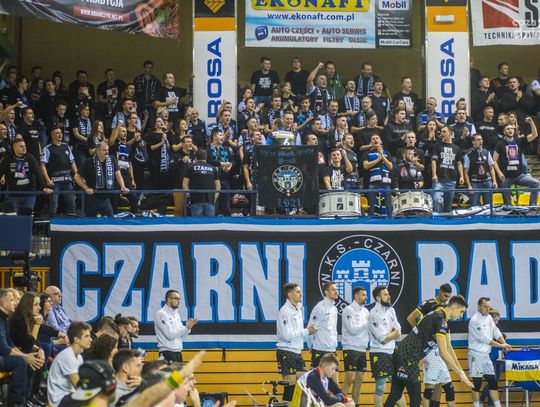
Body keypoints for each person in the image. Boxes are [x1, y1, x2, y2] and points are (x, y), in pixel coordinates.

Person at [383, 295, 473, 407]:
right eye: (461, 312)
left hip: (400, 354)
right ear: (454, 307)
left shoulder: (440, 317)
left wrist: (462, 371)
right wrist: (459, 373)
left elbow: (449, 348)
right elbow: (443, 353)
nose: (461, 315)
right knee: (416, 399)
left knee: (395, 394)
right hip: (408, 358)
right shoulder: (440, 320)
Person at [405, 283, 453, 407]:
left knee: (440, 383)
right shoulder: (428, 303)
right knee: (431, 385)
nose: (446, 299)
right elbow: (411, 318)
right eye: (445, 296)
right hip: (428, 348)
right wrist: (420, 334)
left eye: (448, 297)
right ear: (440, 291)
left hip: (439, 347)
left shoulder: (446, 309)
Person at [0, 289, 44, 407]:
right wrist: (25, 357)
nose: (15, 302)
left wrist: (33, 353)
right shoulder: (8, 319)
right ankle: (18, 402)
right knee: (20, 361)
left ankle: (29, 397)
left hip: (3, 355)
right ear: (2, 303)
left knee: (31, 356)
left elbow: (11, 344)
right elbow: (4, 349)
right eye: (11, 300)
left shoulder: (5, 318)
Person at [276, 283, 317, 400]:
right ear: (290, 295)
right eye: (298, 292)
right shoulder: (285, 311)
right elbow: (286, 335)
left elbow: (299, 333)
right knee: (290, 387)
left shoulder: (298, 309)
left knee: (304, 383)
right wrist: (306, 331)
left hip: (297, 352)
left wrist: (309, 336)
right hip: (286, 351)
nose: (301, 294)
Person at [469, 298, 512, 407]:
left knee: (493, 382)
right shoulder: (474, 320)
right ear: (479, 306)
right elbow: (485, 339)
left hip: (485, 356)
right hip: (476, 355)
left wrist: (504, 343)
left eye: (489, 307)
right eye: (485, 307)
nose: (488, 309)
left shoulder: (489, 317)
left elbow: (496, 331)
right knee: (477, 384)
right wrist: (501, 346)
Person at [368, 285, 403, 407]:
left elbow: (399, 332)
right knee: (380, 387)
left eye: (388, 294)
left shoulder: (391, 310)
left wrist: (390, 334)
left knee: (398, 386)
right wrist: (393, 333)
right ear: (378, 298)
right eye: (385, 294)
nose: (389, 296)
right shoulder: (373, 314)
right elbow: (382, 339)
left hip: (392, 352)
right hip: (379, 353)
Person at [75, 141, 130, 217]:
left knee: (110, 219)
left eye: (107, 150)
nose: (107, 152)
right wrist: (86, 188)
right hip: (92, 197)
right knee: (91, 220)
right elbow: (76, 177)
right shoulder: (89, 162)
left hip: (105, 198)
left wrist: (122, 186)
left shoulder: (112, 159)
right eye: (104, 150)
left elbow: (118, 174)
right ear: (98, 151)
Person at [493, 118, 539, 206]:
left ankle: (532, 206)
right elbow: (494, 160)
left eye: (512, 128)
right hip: (506, 177)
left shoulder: (519, 141)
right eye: (508, 129)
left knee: (536, 183)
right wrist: (499, 173)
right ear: (504, 132)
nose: (510, 130)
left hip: (519, 175)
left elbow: (535, 135)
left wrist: (531, 122)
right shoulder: (500, 144)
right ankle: (509, 208)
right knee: (504, 187)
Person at [0, 136, 52, 214]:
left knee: (27, 217)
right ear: (14, 147)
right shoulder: (8, 159)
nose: (24, 148)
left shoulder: (30, 157)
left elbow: (38, 173)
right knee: (15, 217)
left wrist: (44, 187)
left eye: (25, 146)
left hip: (29, 194)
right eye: (21, 146)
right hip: (14, 194)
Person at [47, 321, 93, 406]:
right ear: (76, 339)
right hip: (59, 401)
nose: (91, 339)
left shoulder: (79, 357)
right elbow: (79, 386)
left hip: (68, 396)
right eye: (87, 336)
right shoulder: (68, 356)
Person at [41, 127, 78, 216]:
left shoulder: (66, 146)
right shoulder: (47, 148)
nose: (60, 134)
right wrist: (47, 180)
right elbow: (42, 165)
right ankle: (52, 222)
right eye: (57, 133)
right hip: (54, 181)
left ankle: (72, 220)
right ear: (52, 136)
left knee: (72, 204)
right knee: (53, 204)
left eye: (61, 132)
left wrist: (77, 175)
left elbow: (72, 162)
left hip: (67, 180)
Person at [341, 286, 369, 405]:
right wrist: (367, 323)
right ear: (356, 296)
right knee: (349, 378)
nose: (366, 297)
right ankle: (341, 404)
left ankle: (356, 404)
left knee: (359, 379)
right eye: (363, 295)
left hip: (362, 349)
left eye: (366, 295)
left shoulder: (366, 311)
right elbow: (352, 330)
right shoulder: (348, 310)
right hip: (351, 347)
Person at [154, 289, 198, 362]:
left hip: (178, 352)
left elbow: (182, 336)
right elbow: (170, 335)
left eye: (179, 299)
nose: (179, 301)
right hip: (167, 353)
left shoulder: (176, 314)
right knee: (171, 371)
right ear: (169, 300)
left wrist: (188, 328)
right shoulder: (161, 314)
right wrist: (186, 328)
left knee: (179, 371)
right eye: (176, 298)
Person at [431, 126, 464, 213]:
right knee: (436, 201)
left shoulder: (457, 148)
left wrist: (461, 176)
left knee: (448, 206)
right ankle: (436, 219)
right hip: (439, 180)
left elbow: (459, 163)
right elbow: (433, 161)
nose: (442, 133)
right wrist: (434, 174)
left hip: (451, 180)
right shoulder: (437, 146)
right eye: (441, 132)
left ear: (450, 133)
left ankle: (446, 220)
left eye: (444, 132)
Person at [307, 281, 338, 369]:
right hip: (320, 350)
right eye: (333, 290)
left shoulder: (334, 308)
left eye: (336, 289)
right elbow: (311, 328)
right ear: (326, 292)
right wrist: (310, 345)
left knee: (334, 378)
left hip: (332, 350)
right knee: (318, 377)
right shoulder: (320, 307)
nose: (336, 292)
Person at [182, 149, 220, 217]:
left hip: (195, 199)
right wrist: (214, 199)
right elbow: (218, 186)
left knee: (197, 222)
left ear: (196, 157)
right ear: (206, 157)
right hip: (210, 200)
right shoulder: (213, 168)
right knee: (210, 222)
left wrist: (188, 196)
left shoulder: (191, 167)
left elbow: (184, 184)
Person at [362, 134, 393, 215]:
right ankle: (372, 219)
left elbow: (390, 167)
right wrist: (378, 159)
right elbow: (366, 166)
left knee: (388, 205)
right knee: (372, 205)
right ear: (371, 142)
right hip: (373, 182)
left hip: (386, 182)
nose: (375, 140)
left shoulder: (387, 153)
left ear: (381, 141)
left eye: (377, 138)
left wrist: (382, 156)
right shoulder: (367, 153)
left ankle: (388, 219)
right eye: (373, 139)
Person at [464, 134, 498, 207]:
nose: (480, 141)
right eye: (478, 140)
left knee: (489, 206)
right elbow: (466, 173)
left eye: (481, 139)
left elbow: (491, 168)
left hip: (487, 182)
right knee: (474, 206)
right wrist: (469, 186)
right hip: (475, 183)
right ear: (473, 142)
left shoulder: (487, 152)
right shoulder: (468, 155)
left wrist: (494, 181)